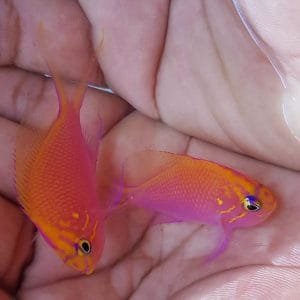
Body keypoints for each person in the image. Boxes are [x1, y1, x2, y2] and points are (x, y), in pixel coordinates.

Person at [0, 1, 300, 299]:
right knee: (72, 115)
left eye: (84, 247)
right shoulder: (76, 215)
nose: (87, 259)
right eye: (84, 248)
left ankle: (70, 107)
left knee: (72, 113)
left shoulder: (80, 216)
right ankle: (70, 107)